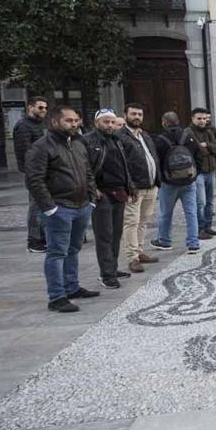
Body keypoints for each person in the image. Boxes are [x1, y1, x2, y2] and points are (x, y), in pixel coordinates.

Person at [25, 106, 99, 312]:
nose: (74, 124)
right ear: (55, 122)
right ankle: (56, 297)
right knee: (57, 252)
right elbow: (34, 180)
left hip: (82, 206)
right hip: (60, 208)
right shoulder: (41, 146)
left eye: (76, 120)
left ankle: (72, 287)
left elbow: (88, 172)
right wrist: (50, 208)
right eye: (69, 121)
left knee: (73, 249)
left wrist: (91, 199)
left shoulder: (77, 144)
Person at [83, 110, 134, 290]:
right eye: (106, 122)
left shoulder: (117, 140)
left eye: (113, 122)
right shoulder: (88, 141)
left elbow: (124, 166)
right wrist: (93, 188)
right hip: (102, 193)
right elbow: (85, 168)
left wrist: (130, 187)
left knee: (116, 234)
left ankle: (112, 267)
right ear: (97, 122)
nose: (110, 126)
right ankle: (107, 274)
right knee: (104, 235)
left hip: (119, 191)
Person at [118, 103, 160, 274]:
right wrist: (129, 186)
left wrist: (157, 180)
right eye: (133, 114)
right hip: (135, 188)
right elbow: (122, 164)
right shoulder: (120, 136)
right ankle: (132, 257)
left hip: (150, 186)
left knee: (143, 221)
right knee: (131, 222)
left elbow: (152, 157)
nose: (137, 117)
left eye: (140, 114)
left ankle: (140, 251)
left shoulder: (144, 135)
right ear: (125, 115)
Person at [153, 112, 202, 255]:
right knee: (191, 213)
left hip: (169, 183)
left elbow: (157, 161)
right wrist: (194, 175)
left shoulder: (160, 139)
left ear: (164, 122)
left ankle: (165, 240)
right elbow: (199, 156)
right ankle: (193, 243)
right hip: (188, 181)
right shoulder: (189, 137)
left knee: (165, 213)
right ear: (178, 121)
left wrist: (162, 178)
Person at [13, 96, 49, 252]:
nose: (44, 111)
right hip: (34, 173)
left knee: (42, 205)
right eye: (40, 107)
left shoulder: (38, 125)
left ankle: (42, 238)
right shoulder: (23, 126)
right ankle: (34, 241)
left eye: (45, 108)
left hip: (42, 170)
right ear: (30, 108)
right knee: (36, 207)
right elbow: (26, 152)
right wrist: (33, 172)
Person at [187, 108, 216, 239]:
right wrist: (208, 149)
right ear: (193, 119)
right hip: (198, 172)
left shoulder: (209, 131)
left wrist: (207, 145)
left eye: (204, 118)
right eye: (199, 118)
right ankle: (200, 229)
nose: (202, 121)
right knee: (200, 202)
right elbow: (195, 151)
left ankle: (208, 226)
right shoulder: (188, 132)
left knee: (210, 202)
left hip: (211, 171)